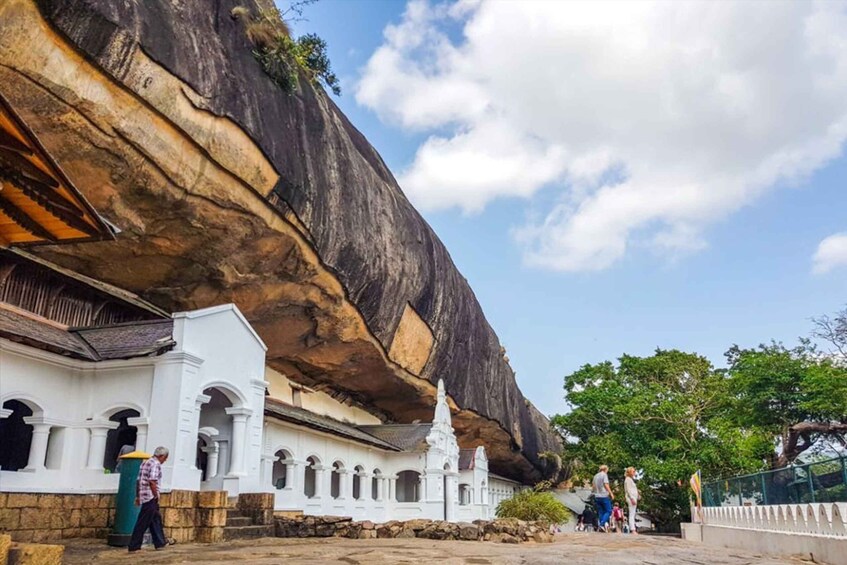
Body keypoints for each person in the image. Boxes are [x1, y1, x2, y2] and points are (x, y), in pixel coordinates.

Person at [128, 446, 169, 552]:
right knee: (143, 521)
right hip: (150, 496)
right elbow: (152, 481)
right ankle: (134, 545)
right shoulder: (155, 464)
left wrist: (138, 496)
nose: (165, 460)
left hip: (143, 494)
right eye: (165, 458)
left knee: (155, 519)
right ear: (162, 456)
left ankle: (160, 542)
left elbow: (138, 480)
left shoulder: (145, 462)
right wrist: (156, 495)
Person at [592, 464, 614, 532]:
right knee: (608, 511)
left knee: (601, 511)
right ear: (605, 469)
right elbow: (606, 484)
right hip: (604, 495)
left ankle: (602, 526)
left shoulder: (595, 476)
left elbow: (593, 486)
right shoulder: (604, 475)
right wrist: (611, 493)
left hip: (597, 496)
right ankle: (602, 524)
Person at [624, 466, 640, 534]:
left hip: (634, 498)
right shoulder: (627, 479)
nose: (634, 473)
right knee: (632, 513)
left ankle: (633, 528)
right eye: (633, 471)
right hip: (631, 498)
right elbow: (629, 490)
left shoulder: (630, 479)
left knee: (633, 513)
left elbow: (633, 489)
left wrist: (638, 495)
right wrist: (632, 498)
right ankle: (632, 529)